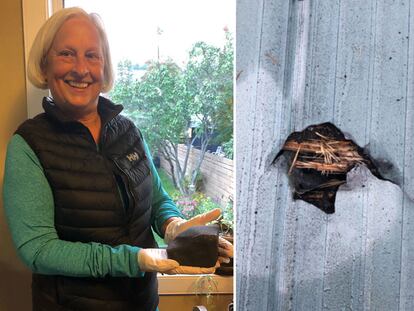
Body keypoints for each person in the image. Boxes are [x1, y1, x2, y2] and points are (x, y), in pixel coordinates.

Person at [3, 7, 233, 311]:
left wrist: (174, 226)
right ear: (45, 65)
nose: (81, 69)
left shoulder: (128, 131)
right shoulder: (29, 145)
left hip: (142, 302)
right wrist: (134, 259)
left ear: (105, 67)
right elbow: (38, 250)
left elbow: (157, 200)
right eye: (67, 54)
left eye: (92, 55)